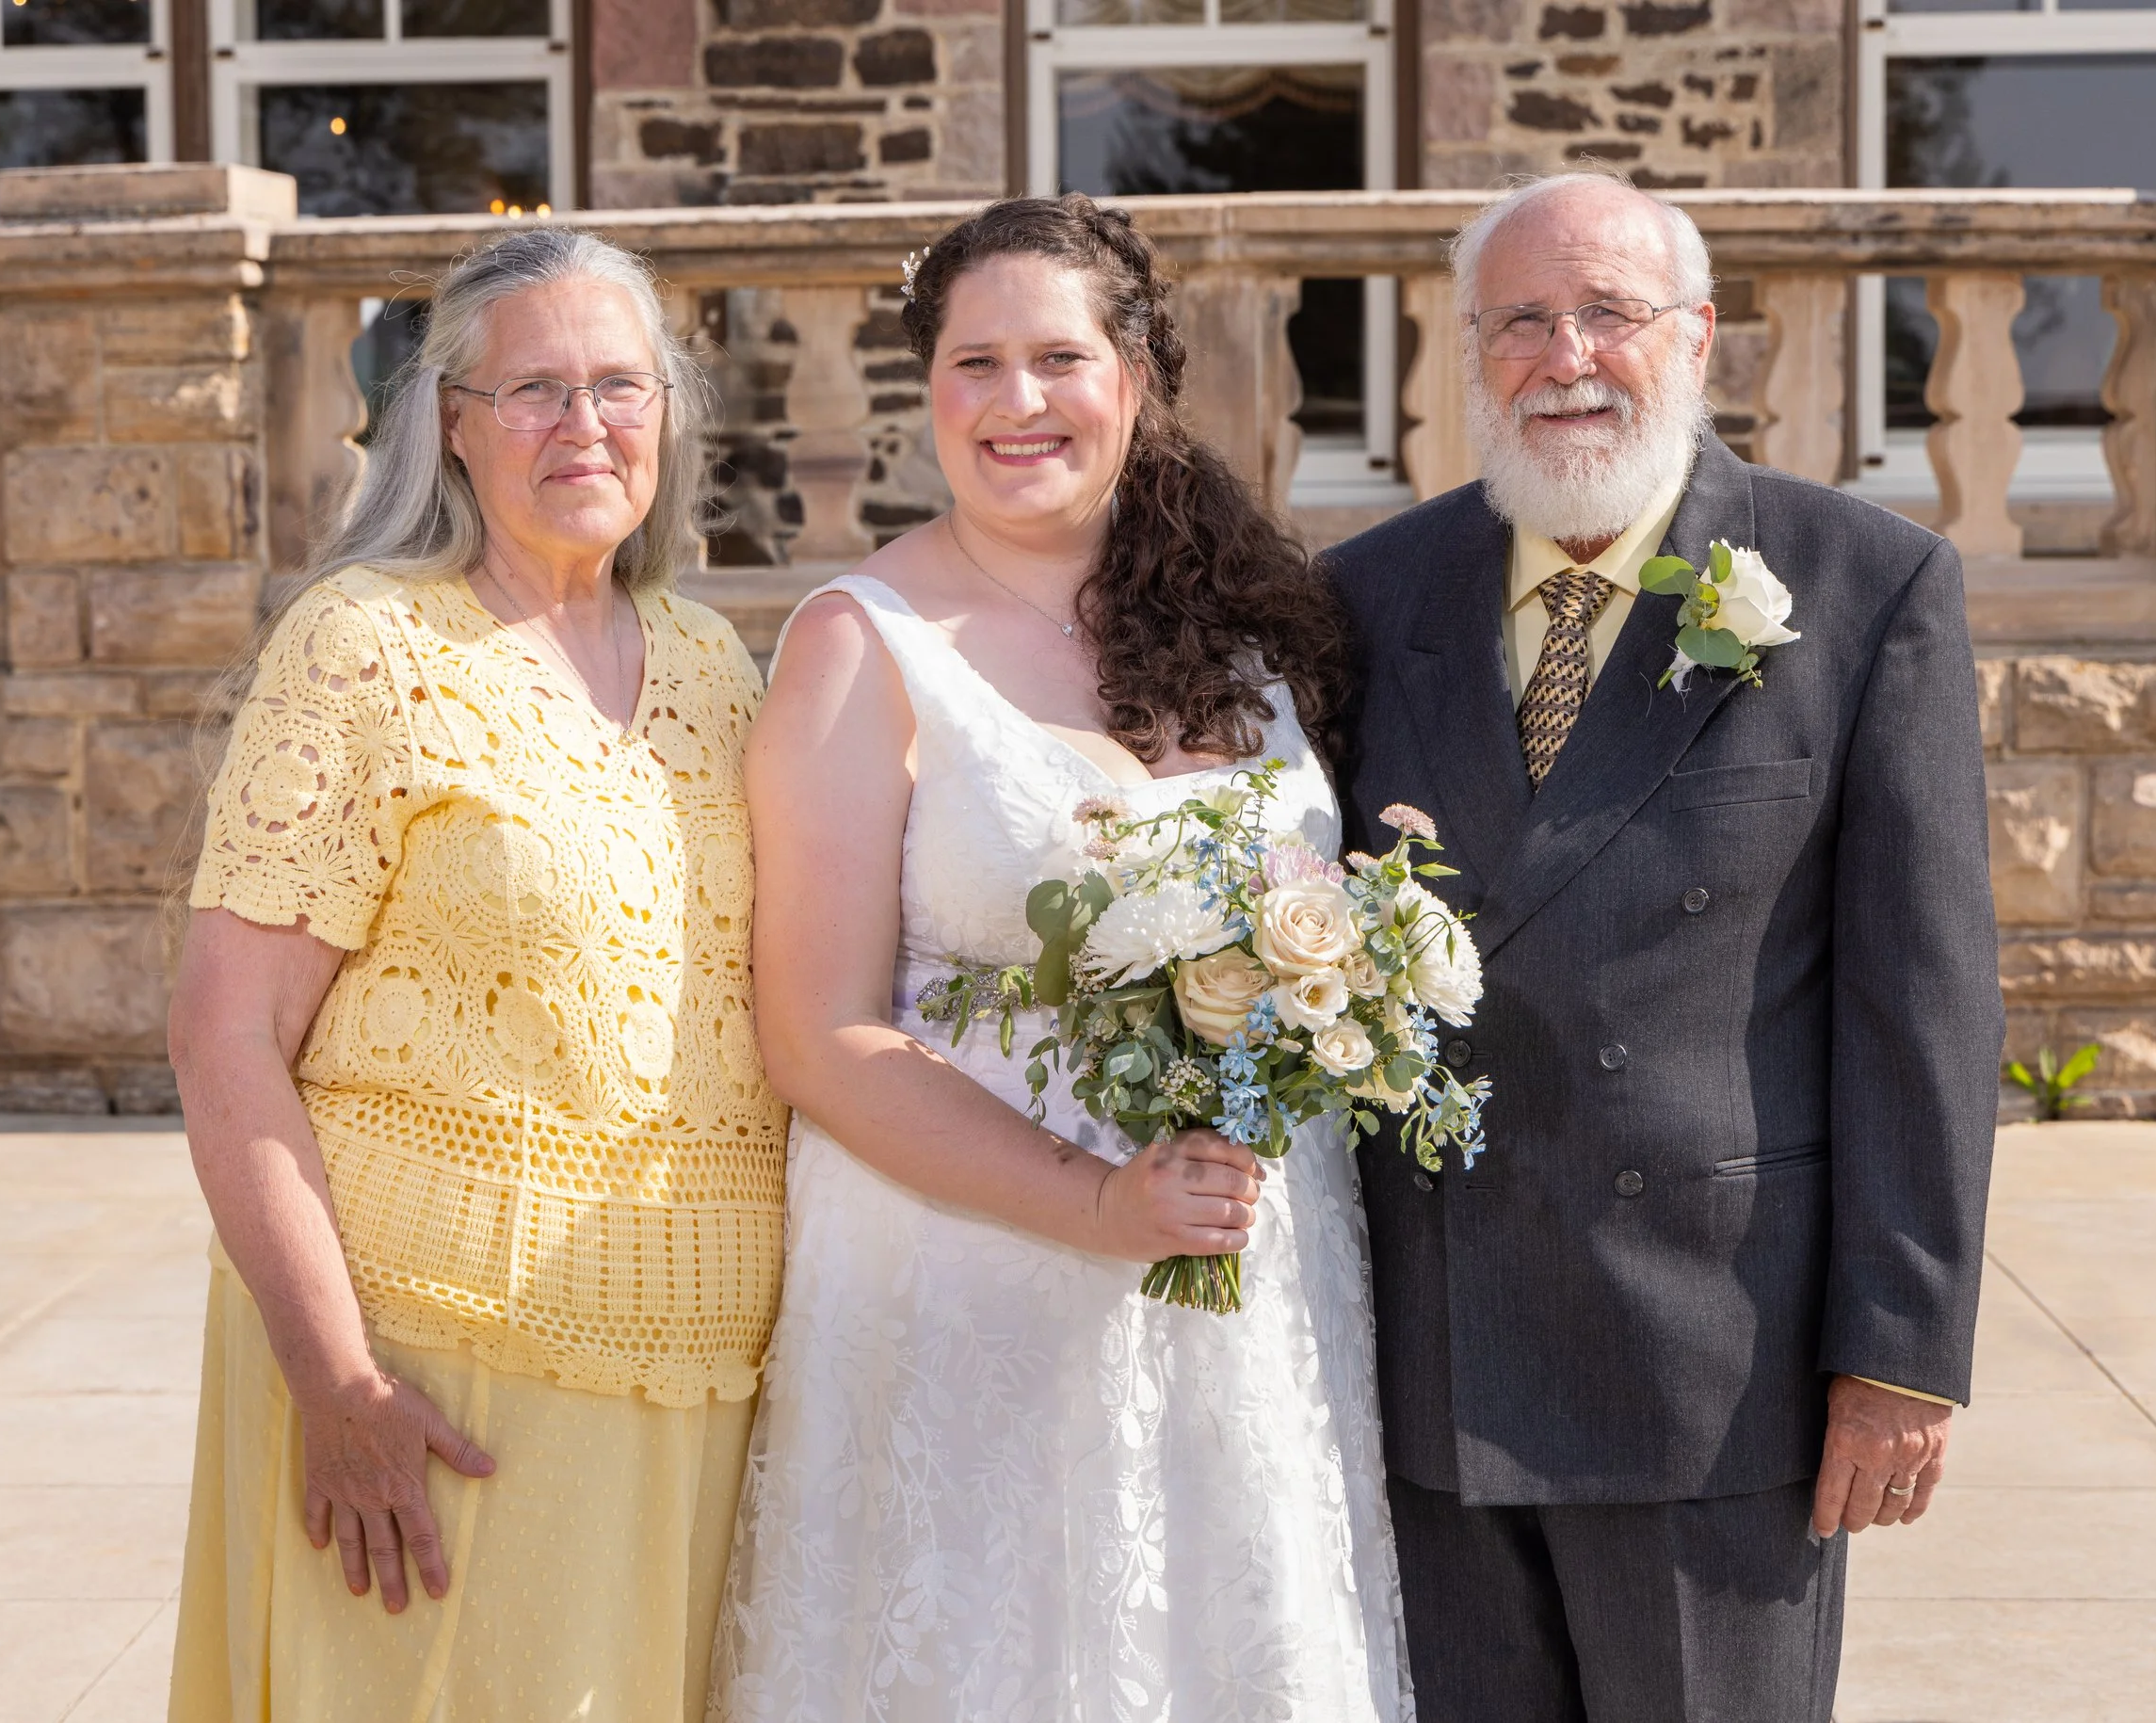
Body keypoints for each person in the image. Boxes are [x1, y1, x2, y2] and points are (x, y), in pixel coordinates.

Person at [709, 194, 1411, 1720]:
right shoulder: (861, 644)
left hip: (1248, 1288)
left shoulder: (1246, 632)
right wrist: (1094, 1202)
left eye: (1056, 358)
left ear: (1135, 377)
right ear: (927, 389)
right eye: (973, 364)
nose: (1014, 400)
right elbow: (817, 1033)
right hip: (972, 1289)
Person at [1326, 169, 2003, 1719]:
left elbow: (1925, 1004)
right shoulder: (1368, 596)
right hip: (1433, 1360)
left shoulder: (1865, 585)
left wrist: (1902, 1350)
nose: (1565, 357)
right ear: (1470, 351)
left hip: (1716, 1373)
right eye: (1521, 320)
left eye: (1610, 313)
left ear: (1697, 337)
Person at [165, 228, 787, 1723]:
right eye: (535, 391)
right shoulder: (364, 646)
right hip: (434, 1386)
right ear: (452, 421)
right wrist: (339, 1385)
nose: (585, 424)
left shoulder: (718, 662)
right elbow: (225, 1034)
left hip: (698, 1387)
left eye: (619, 386)